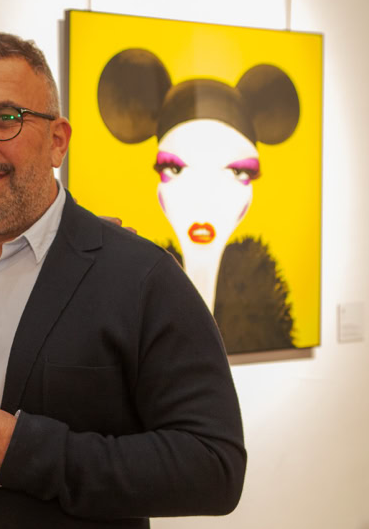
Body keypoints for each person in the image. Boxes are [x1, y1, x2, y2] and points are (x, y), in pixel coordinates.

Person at [0, 31, 247, 529]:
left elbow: (214, 468)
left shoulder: (141, 279)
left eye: (5, 118)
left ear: (58, 141)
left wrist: (24, 453)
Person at [97, 48, 300, 353]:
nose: (203, 202)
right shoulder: (137, 286)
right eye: (175, 169)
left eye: (237, 171)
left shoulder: (264, 301)